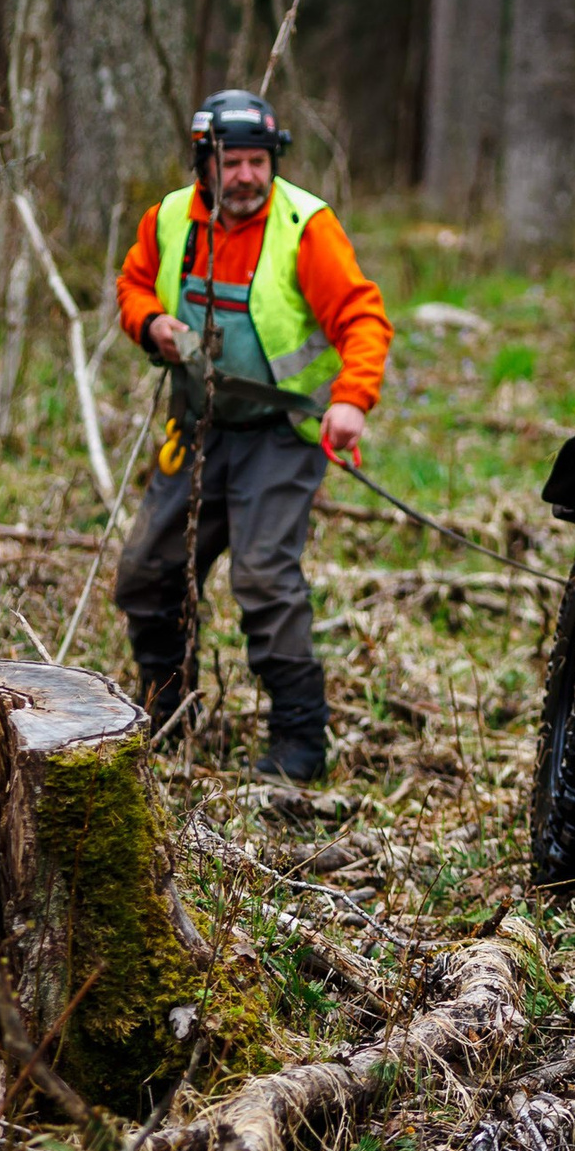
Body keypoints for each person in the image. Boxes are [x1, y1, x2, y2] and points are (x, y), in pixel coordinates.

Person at [112, 91, 393, 782]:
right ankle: (168, 713)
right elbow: (131, 284)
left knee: (264, 576)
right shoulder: (171, 217)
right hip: (197, 430)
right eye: (232, 162)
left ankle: (299, 740)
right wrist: (149, 323)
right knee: (147, 573)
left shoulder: (305, 226)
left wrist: (352, 400)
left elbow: (364, 319)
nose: (247, 176)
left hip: (282, 434)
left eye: (258, 161)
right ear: (205, 164)